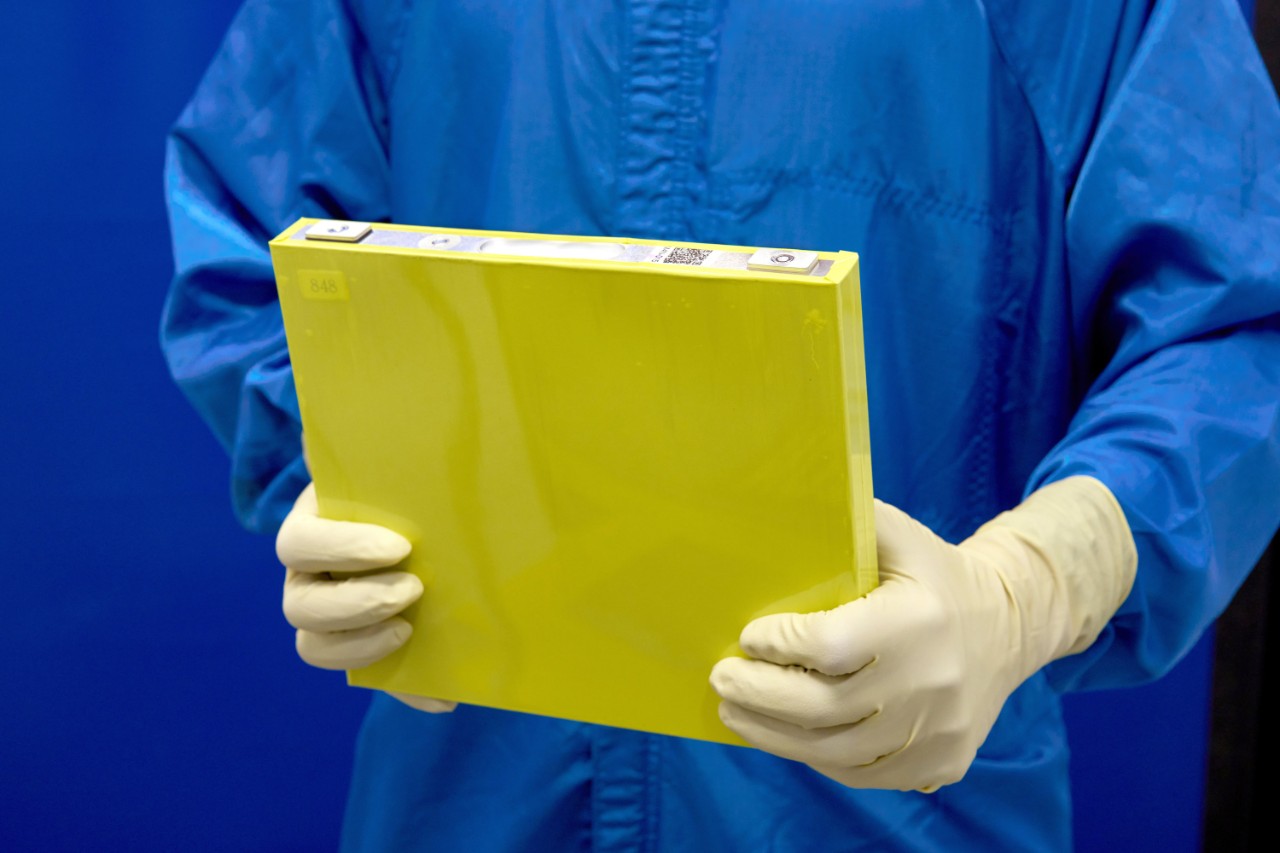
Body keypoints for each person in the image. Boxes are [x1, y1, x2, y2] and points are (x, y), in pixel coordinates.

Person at [162, 0, 1280, 849]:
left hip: (894, 809)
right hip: (467, 788)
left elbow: (1232, 328)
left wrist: (1028, 587)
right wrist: (345, 468)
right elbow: (251, 244)